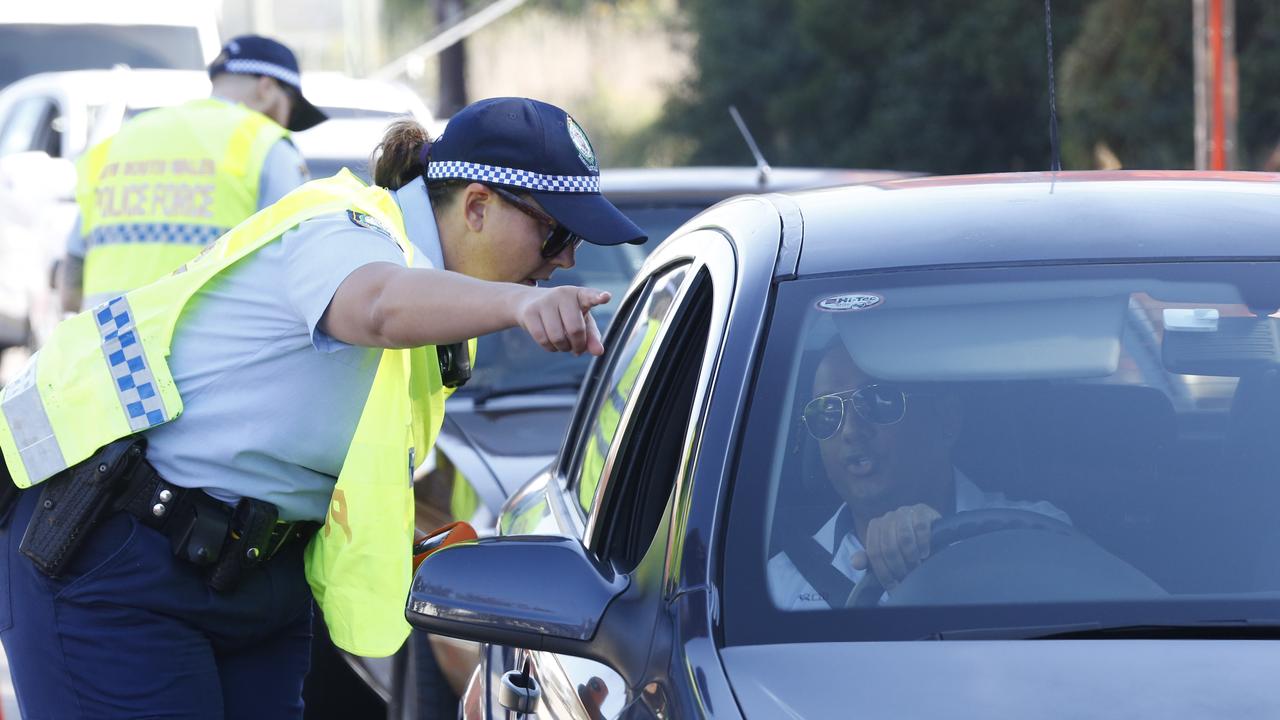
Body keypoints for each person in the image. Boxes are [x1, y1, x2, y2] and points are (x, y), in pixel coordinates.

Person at [0, 96, 645, 718]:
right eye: (556, 232)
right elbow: (376, 306)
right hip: (122, 563)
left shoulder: (444, 306)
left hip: (256, 578)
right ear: (476, 206)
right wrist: (520, 307)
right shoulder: (346, 227)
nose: (563, 260)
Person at [768, 340, 1068, 610]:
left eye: (877, 400)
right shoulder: (781, 587)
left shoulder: (1036, 536)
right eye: (827, 412)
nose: (850, 431)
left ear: (946, 419)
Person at [60, 34, 326, 311]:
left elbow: (71, 287)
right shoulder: (265, 144)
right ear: (266, 88)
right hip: (207, 342)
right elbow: (301, 261)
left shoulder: (120, 141)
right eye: (290, 108)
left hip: (109, 341)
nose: (287, 121)